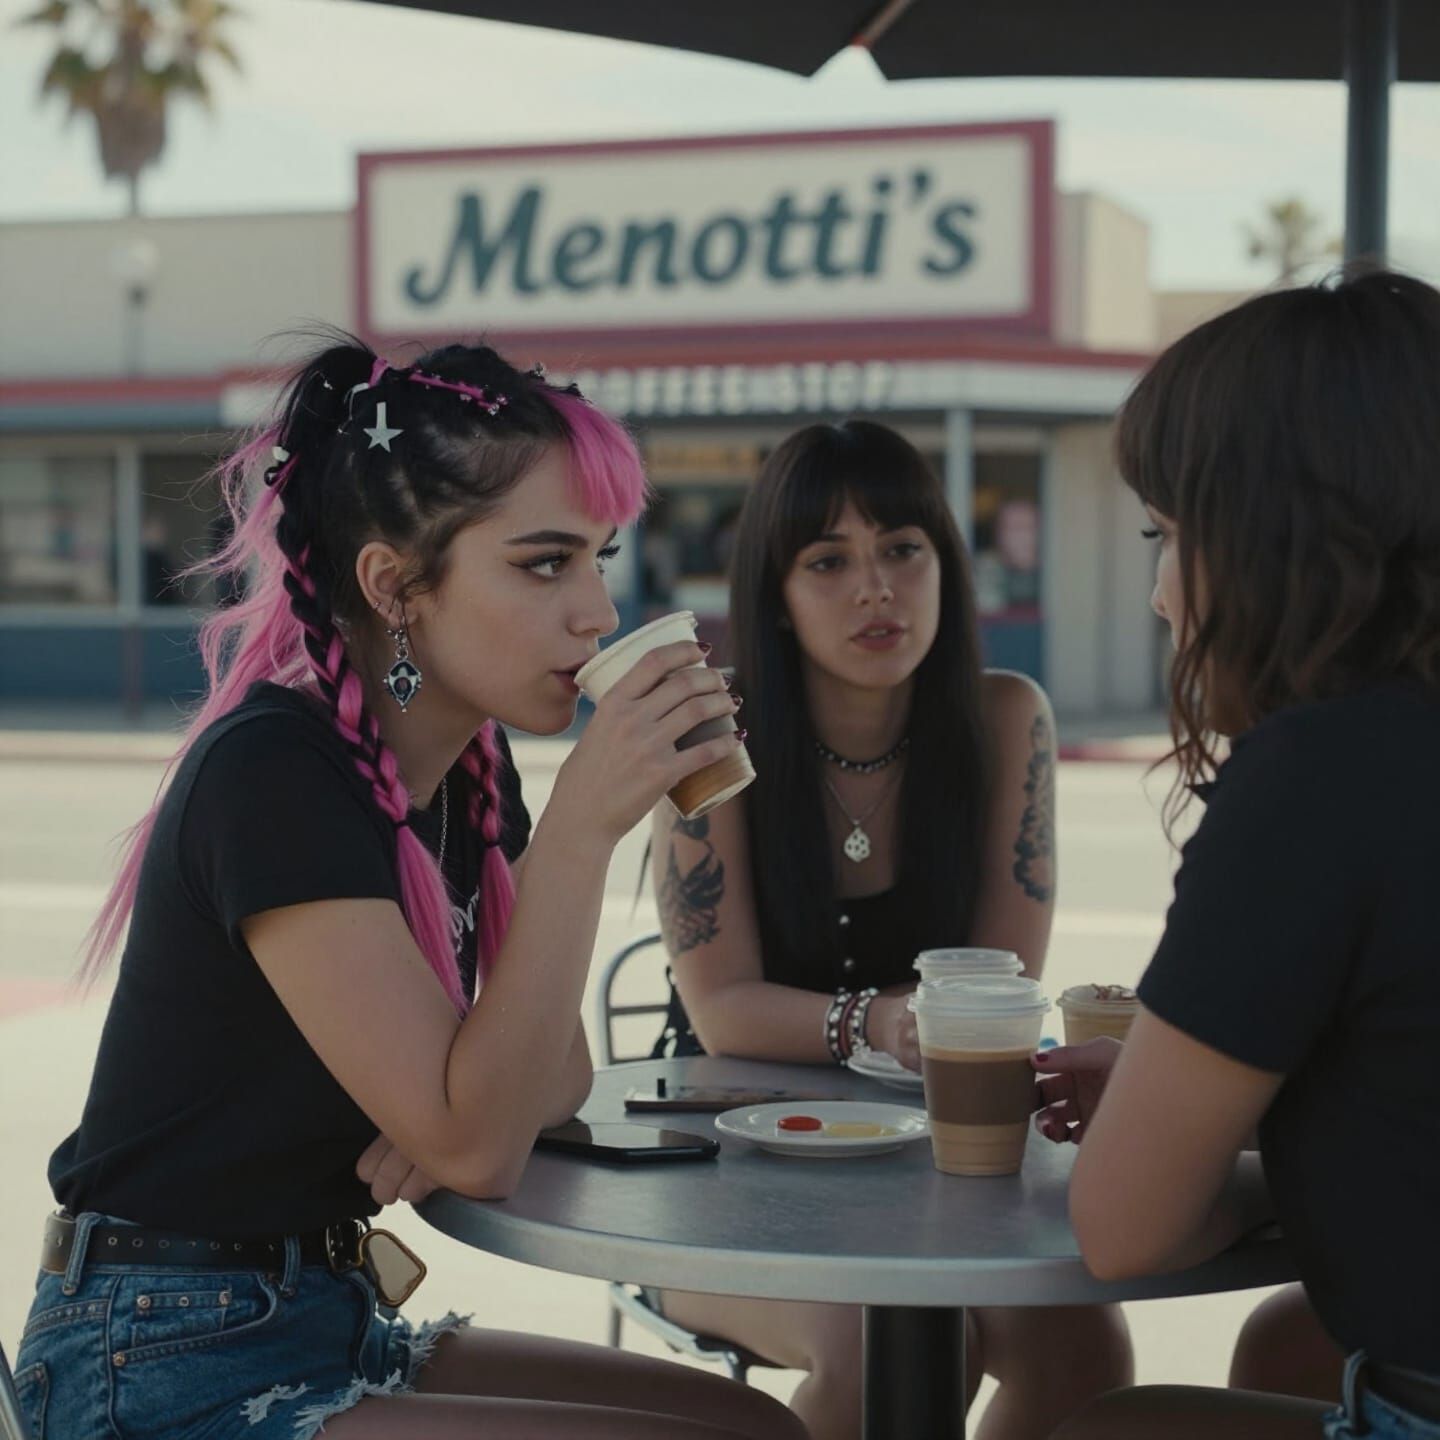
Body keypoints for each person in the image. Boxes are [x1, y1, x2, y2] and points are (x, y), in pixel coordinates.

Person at [10, 335, 806, 1440]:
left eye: (598, 559)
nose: (596, 615)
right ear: (394, 586)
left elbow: (553, 1078)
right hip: (157, 1353)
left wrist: (448, 1108)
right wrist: (582, 829)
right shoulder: (277, 772)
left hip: (328, 1314)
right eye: (543, 564)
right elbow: (483, 1141)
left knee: (751, 1427)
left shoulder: (470, 772)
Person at [649, 420, 1133, 1440]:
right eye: (828, 560)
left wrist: (935, 1031)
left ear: (946, 567)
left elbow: (1000, 986)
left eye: (902, 550)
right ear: (775, 598)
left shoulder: (1006, 718)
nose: (877, 588)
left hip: (937, 1157)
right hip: (723, 1155)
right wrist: (875, 1025)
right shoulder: (708, 730)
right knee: (892, 1346)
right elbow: (723, 1008)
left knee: (1085, 1351)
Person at [1032, 269, 1440, 1440]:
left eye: (1166, 533)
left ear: (1274, 531)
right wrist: (1260, 1108)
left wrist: (1174, 1138)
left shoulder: (1322, 774)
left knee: (1117, 1428)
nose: (1161, 593)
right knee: (1282, 1348)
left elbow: (1126, 1228)